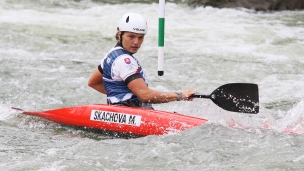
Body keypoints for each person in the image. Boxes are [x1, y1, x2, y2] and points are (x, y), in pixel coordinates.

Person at [88, 12, 196, 109]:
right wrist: (180, 95)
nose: (136, 42)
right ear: (120, 34)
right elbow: (145, 95)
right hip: (131, 114)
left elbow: (93, 82)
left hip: (124, 111)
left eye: (140, 37)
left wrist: (118, 95)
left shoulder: (112, 54)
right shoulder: (125, 61)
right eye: (131, 36)